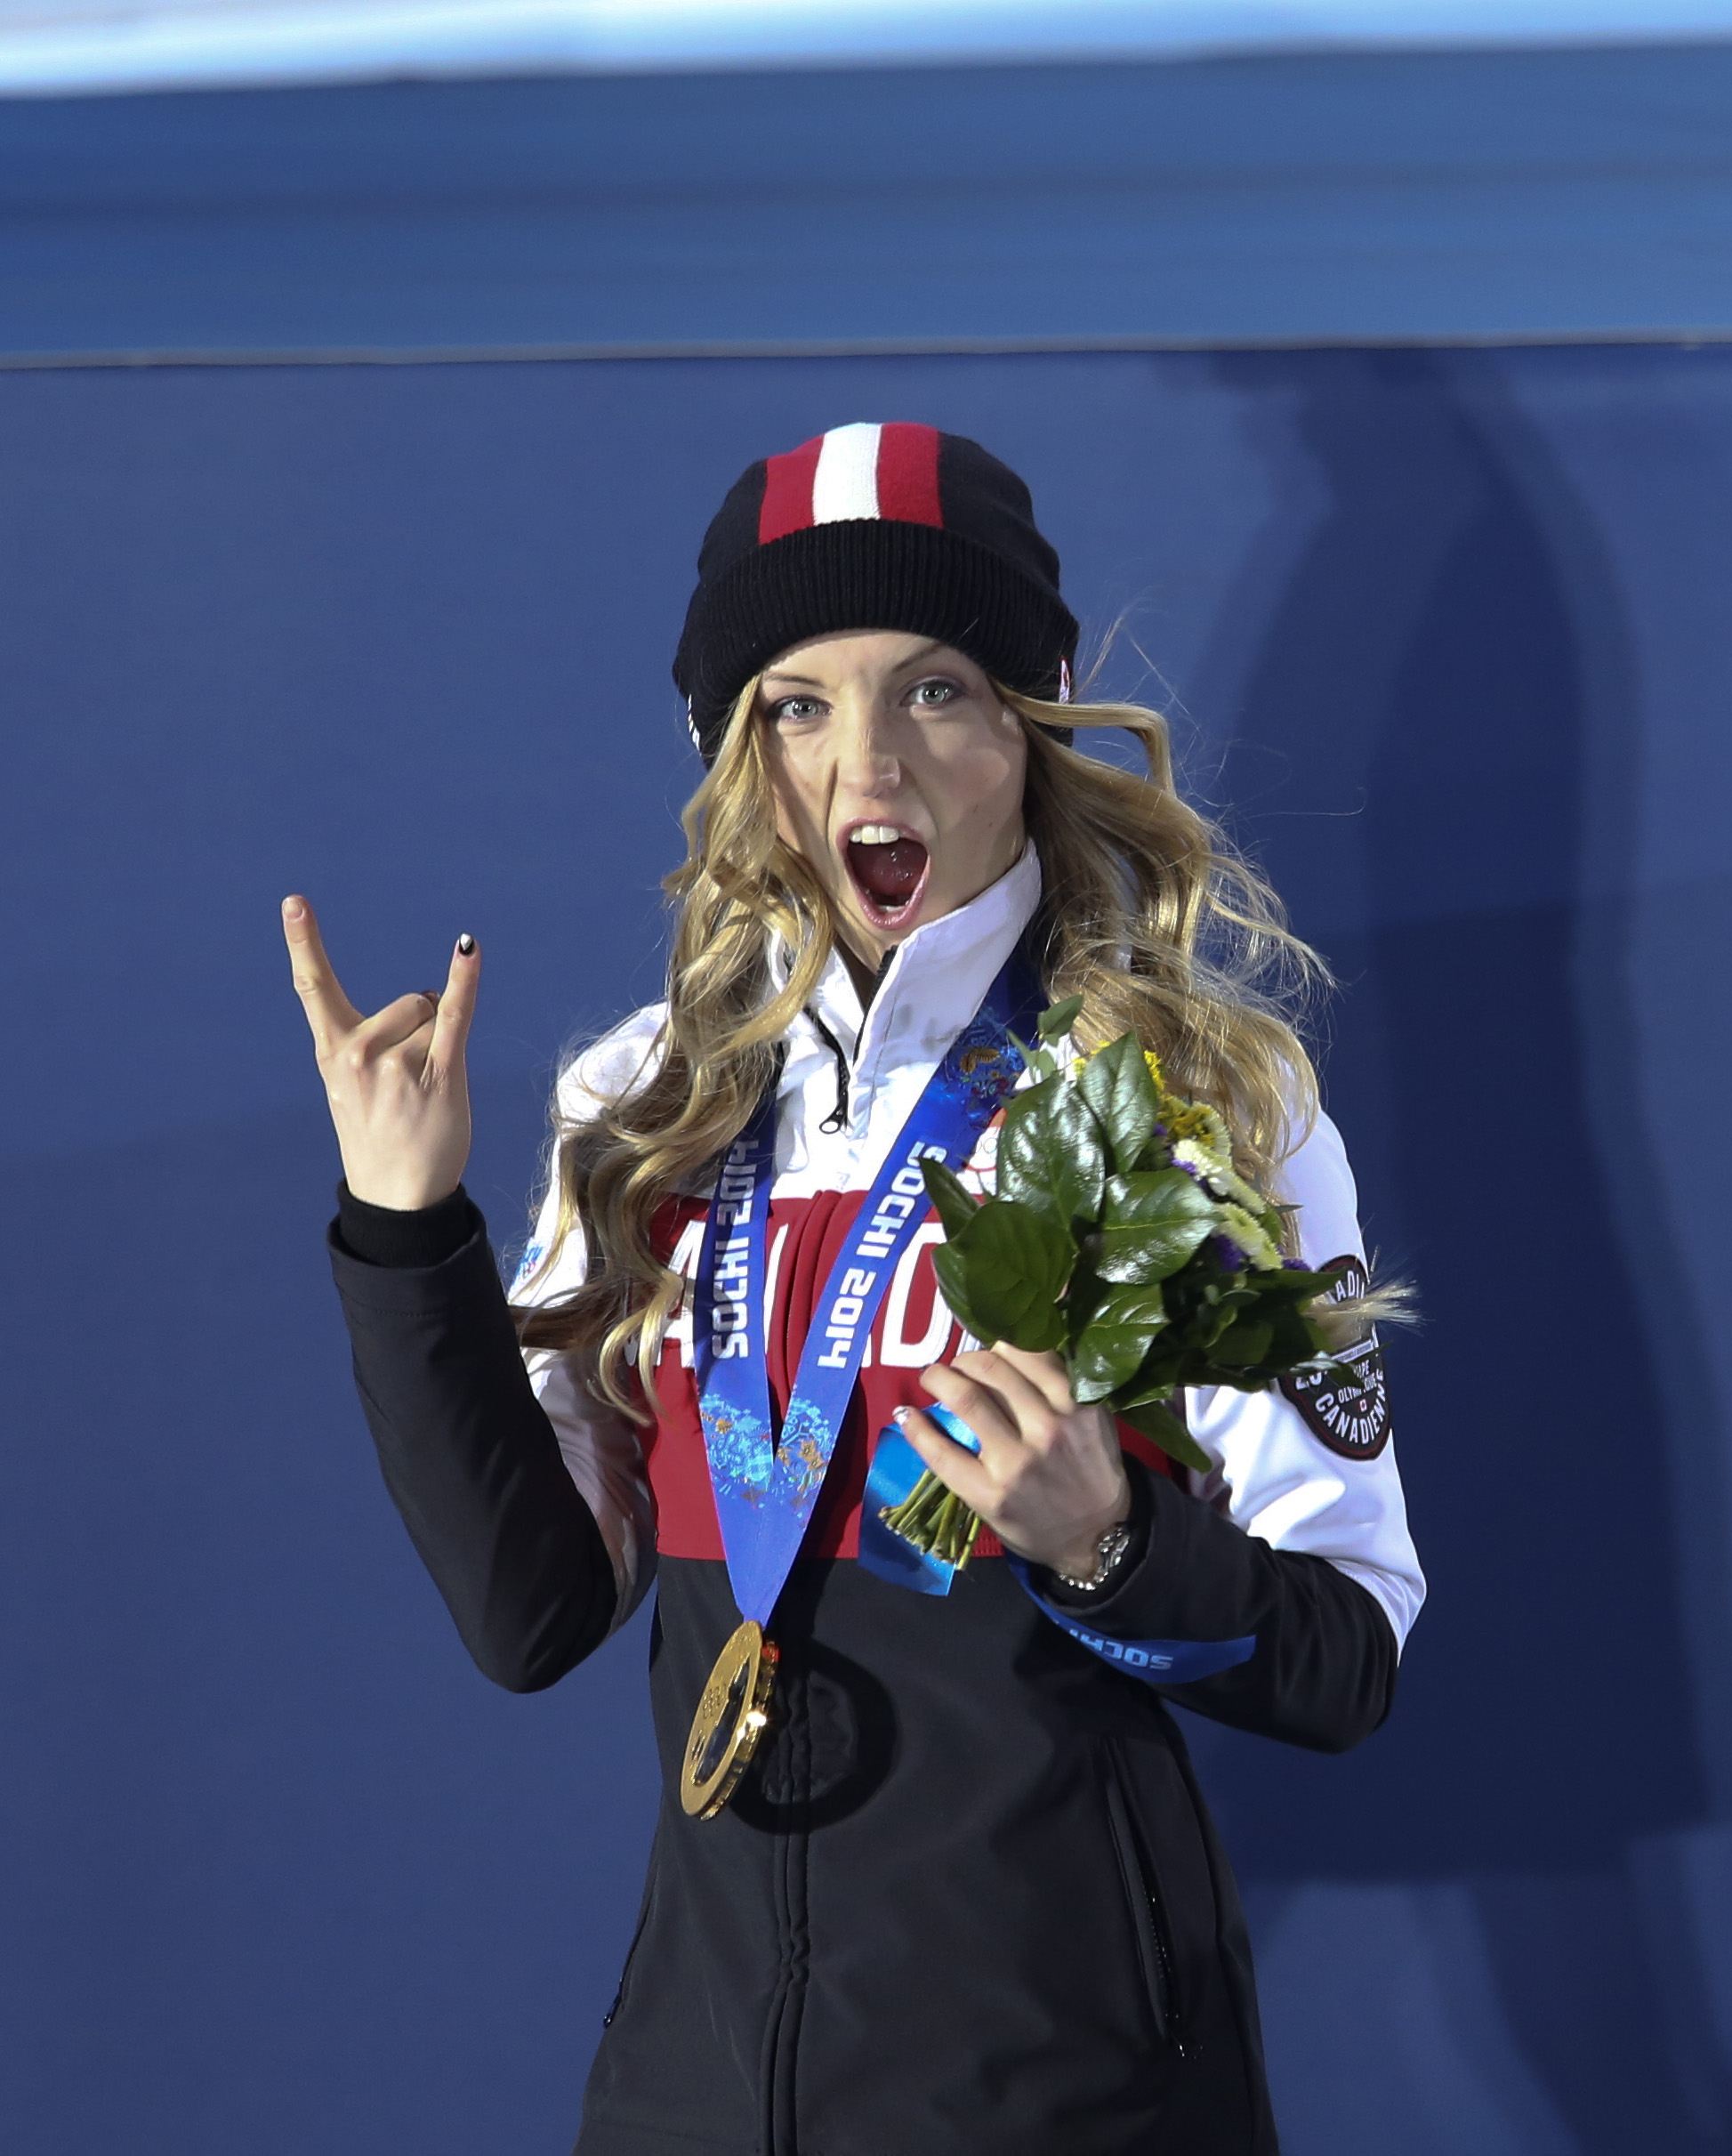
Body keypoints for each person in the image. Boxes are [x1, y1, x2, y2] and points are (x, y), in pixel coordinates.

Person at [286, 421, 1420, 2154]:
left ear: (1031, 723)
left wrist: (1106, 1540)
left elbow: (1343, 1664)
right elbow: (527, 1618)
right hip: (692, 2097)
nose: (866, 766)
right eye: (797, 705)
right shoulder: (645, 1107)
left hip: (1071, 2102)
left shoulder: (1193, 1111)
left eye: (937, 690)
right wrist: (403, 1230)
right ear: (732, 753)